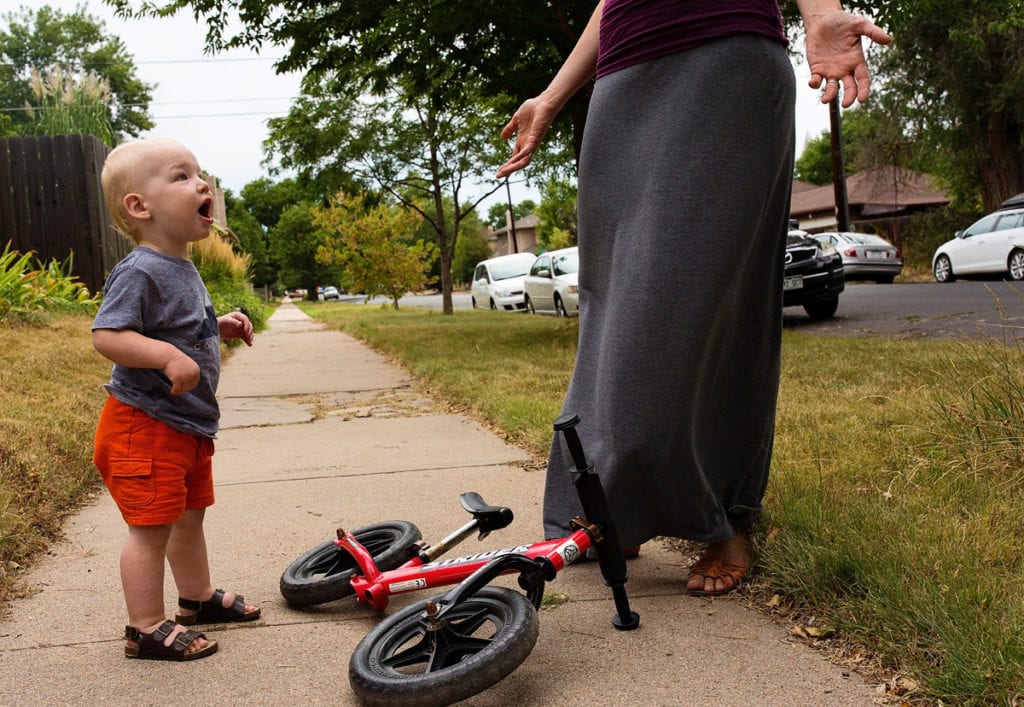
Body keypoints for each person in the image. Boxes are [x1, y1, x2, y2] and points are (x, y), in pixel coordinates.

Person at [497, 1, 889, 596]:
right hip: (622, 80)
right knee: (614, 304)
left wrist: (821, 14)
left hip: (722, 56)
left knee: (706, 303)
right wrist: (552, 98)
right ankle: (615, 504)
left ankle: (725, 516)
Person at [92, 137, 260, 661]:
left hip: (185, 426)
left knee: (190, 517)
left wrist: (218, 326)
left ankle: (197, 598)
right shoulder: (140, 269)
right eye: (181, 176)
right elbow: (108, 335)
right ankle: (144, 626)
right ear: (140, 207)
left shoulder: (181, 265)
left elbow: (182, 326)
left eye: (200, 174)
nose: (201, 184)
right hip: (145, 425)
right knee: (150, 530)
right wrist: (166, 356)